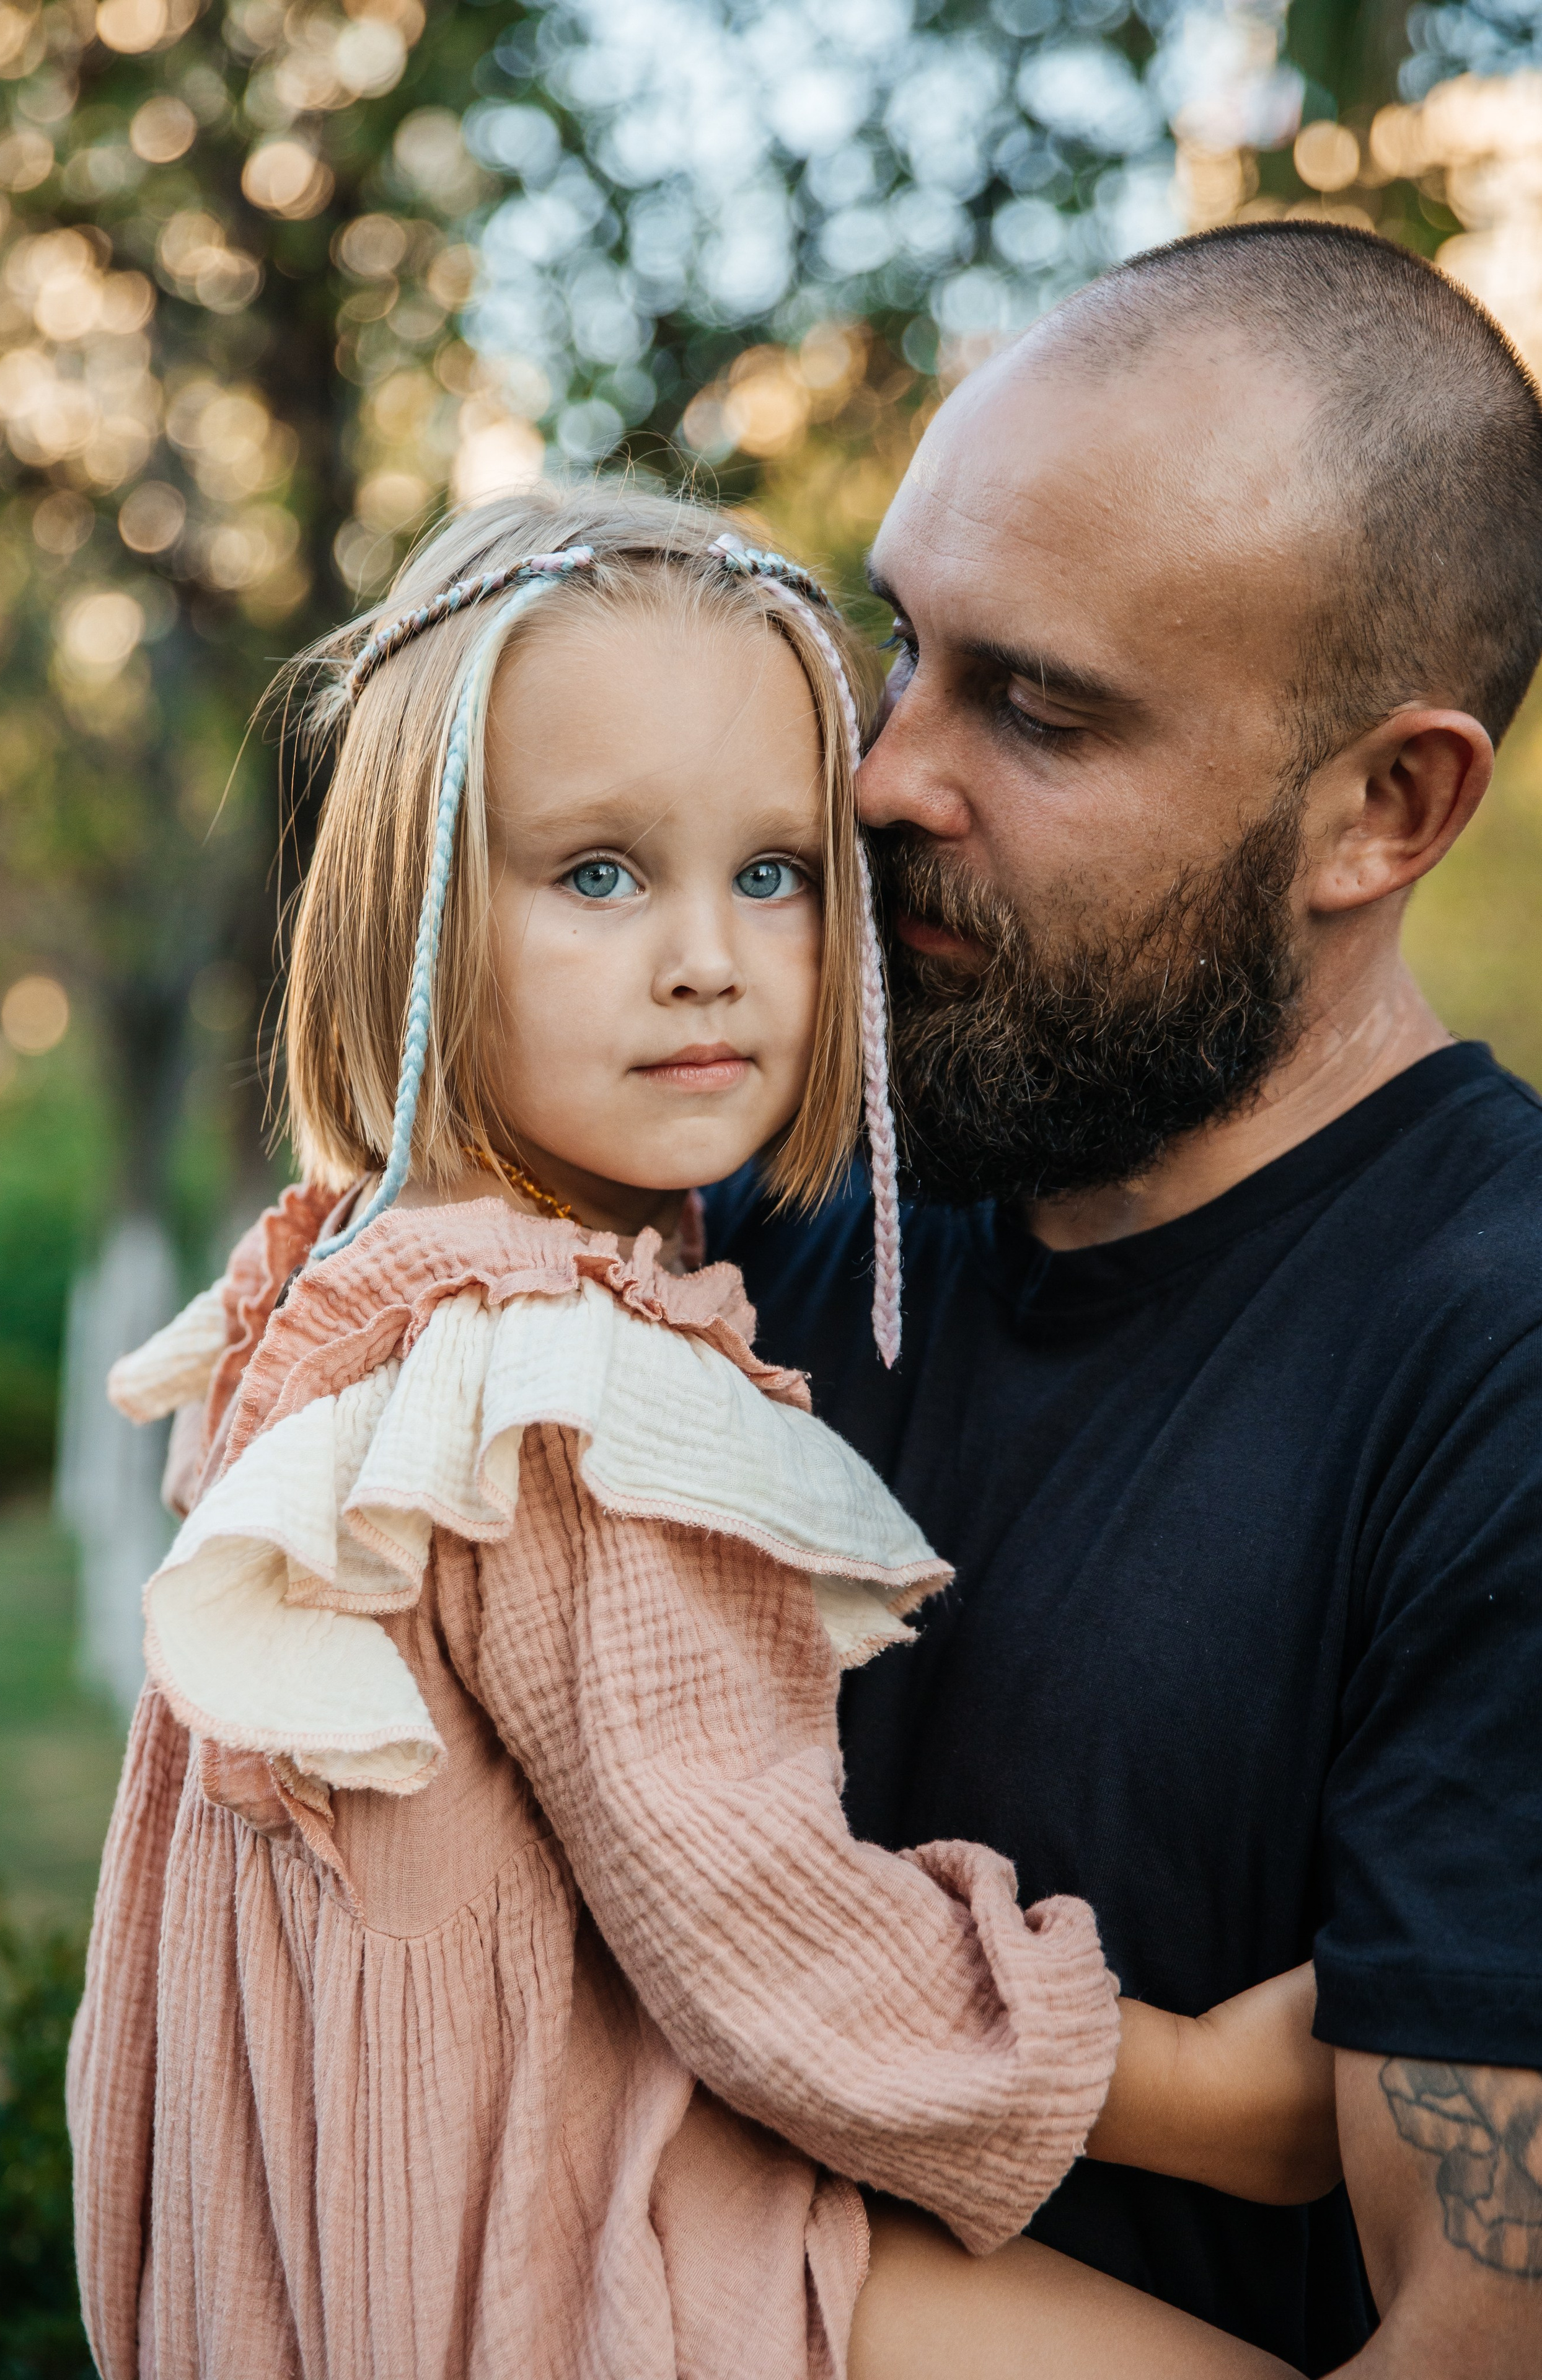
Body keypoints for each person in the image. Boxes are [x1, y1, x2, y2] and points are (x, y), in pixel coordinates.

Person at [68, 485, 1329, 2380]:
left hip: (382, 2224)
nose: (704, 959)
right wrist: (1222, 2097)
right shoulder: (550, 1385)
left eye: (772, 872)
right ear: (409, 903)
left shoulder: (358, 1270)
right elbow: (759, 1935)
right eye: (596, 875)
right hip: (585, 2246)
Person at [708, 221, 1542, 2379]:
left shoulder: (1501, 1368)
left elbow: (1478, 2338)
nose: (890, 772)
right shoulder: (760, 1196)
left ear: (1385, 807)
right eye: (905, 645)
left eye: (1041, 709)